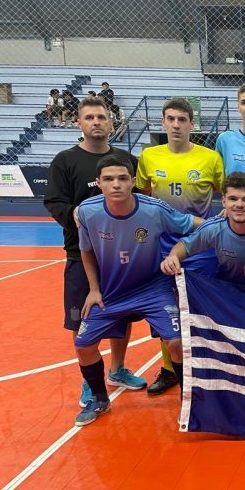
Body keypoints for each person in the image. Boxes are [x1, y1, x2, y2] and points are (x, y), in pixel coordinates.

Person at [73, 155, 203, 426]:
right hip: (110, 291)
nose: (116, 185)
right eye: (108, 179)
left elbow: (192, 224)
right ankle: (99, 398)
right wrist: (94, 289)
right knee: (83, 345)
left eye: (122, 178)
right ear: (98, 183)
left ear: (133, 181)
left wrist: (231, 220)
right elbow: (85, 250)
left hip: (153, 288)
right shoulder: (87, 211)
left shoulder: (154, 209)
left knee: (176, 342)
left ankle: (189, 401)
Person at [44, 97, 144, 407]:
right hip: (81, 255)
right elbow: (54, 202)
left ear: (111, 122)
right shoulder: (65, 160)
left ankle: (117, 368)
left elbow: (137, 200)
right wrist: (76, 213)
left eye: (102, 116)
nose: (96, 122)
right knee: (82, 320)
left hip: (121, 256)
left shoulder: (127, 158)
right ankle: (91, 381)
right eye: (90, 117)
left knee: (122, 317)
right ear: (79, 123)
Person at [136, 97, 225, 396]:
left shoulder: (210, 158)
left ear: (191, 124)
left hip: (201, 247)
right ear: (163, 122)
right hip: (160, 247)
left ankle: (209, 364)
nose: (176, 125)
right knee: (166, 310)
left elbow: (223, 197)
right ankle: (169, 370)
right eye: (171, 119)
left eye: (182, 119)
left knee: (205, 307)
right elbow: (144, 199)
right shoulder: (149, 156)